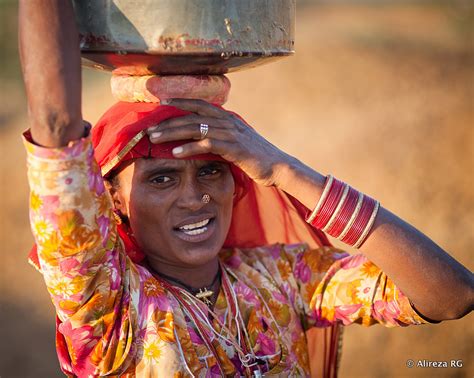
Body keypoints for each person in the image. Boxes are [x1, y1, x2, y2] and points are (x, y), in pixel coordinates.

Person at [19, 1, 473, 377]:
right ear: (113, 199)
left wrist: (286, 170)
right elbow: (55, 126)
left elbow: (452, 296)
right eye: (161, 178)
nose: (196, 197)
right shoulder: (112, 308)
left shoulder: (281, 281)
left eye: (212, 171)